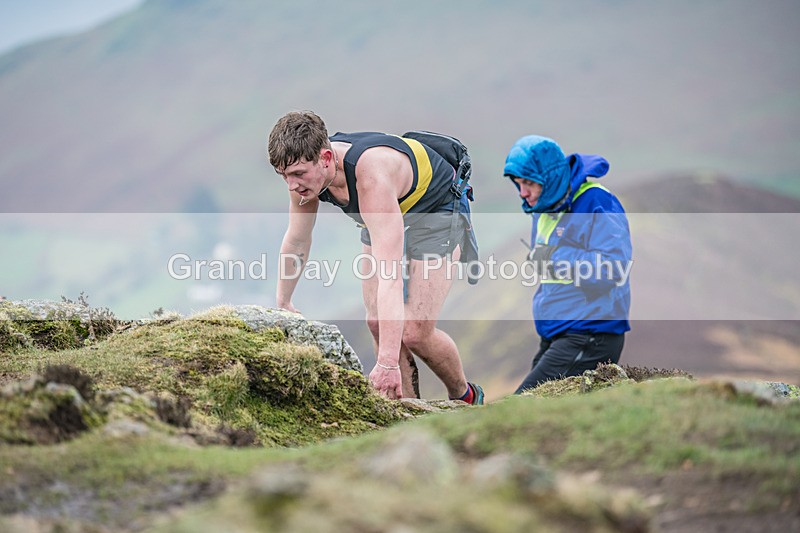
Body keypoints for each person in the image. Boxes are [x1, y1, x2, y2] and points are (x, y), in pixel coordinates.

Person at [267, 111, 483, 404]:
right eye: (284, 176)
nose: (291, 186)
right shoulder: (306, 176)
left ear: (326, 158)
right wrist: (283, 303)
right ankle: (409, 411)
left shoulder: (371, 179)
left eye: (297, 175)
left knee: (415, 331)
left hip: (436, 209)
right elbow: (297, 239)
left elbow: (389, 278)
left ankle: (465, 396)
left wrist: (387, 363)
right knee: (377, 322)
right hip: (387, 213)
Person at [504, 135, 632, 393]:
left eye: (529, 183)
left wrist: (552, 257)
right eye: (518, 184)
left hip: (590, 335)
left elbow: (613, 268)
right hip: (557, 334)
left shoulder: (596, 202)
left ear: (549, 178)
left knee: (521, 409)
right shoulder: (544, 207)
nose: (523, 192)